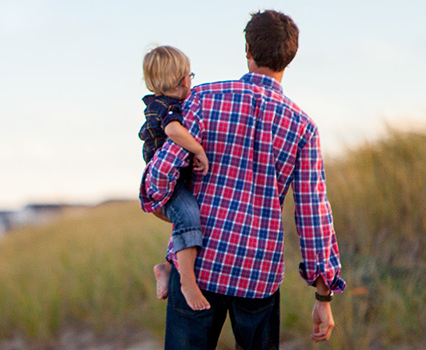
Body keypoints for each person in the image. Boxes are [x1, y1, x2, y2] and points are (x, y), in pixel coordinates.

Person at [139, 10, 346, 349]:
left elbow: (162, 171)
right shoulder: (303, 127)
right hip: (258, 274)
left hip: (199, 265)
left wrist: (162, 205)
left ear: (247, 49)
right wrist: (324, 297)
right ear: (290, 57)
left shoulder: (203, 99)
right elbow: (313, 214)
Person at [136, 45, 213, 311]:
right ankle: (187, 282)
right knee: (189, 216)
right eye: (191, 75)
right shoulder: (165, 107)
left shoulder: (166, 103)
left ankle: (166, 267)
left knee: (184, 219)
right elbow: (173, 131)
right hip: (166, 183)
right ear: (183, 79)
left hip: (174, 180)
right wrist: (198, 148)